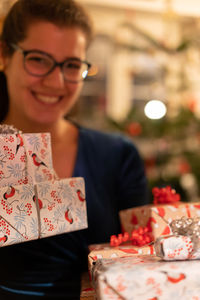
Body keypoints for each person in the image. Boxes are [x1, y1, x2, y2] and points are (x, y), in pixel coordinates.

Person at [0, 0, 149, 299]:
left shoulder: (117, 156)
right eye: (38, 59)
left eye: (71, 65)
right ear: (4, 54)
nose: (56, 82)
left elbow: (143, 265)